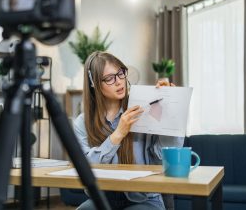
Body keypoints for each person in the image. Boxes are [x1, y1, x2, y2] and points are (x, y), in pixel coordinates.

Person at [73, 51, 184, 210]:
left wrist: (170, 109)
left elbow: (163, 156)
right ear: (94, 83)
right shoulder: (82, 123)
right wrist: (118, 134)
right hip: (103, 198)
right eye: (110, 78)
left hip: (144, 199)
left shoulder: (144, 109)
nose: (119, 81)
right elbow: (85, 168)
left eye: (121, 73)